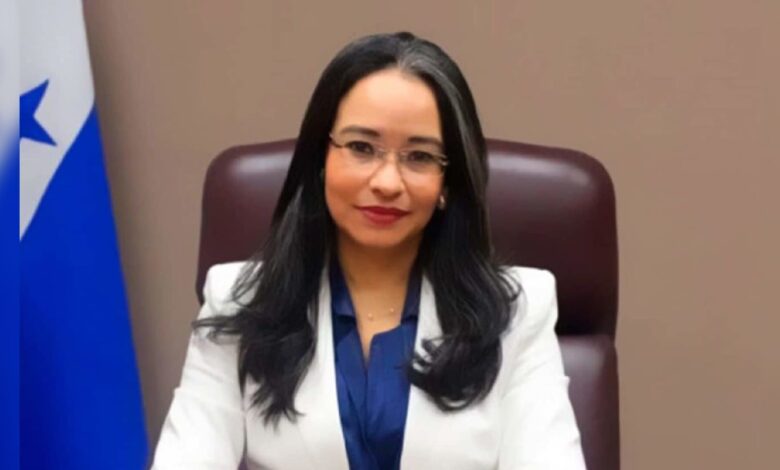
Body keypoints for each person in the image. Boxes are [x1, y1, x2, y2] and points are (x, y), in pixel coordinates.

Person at [152, 32, 586, 470]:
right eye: (361, 148)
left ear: (447, 183)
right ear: (320, 159)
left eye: (419, 156)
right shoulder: (240, 301)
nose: (387, 182)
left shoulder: (516, 312)